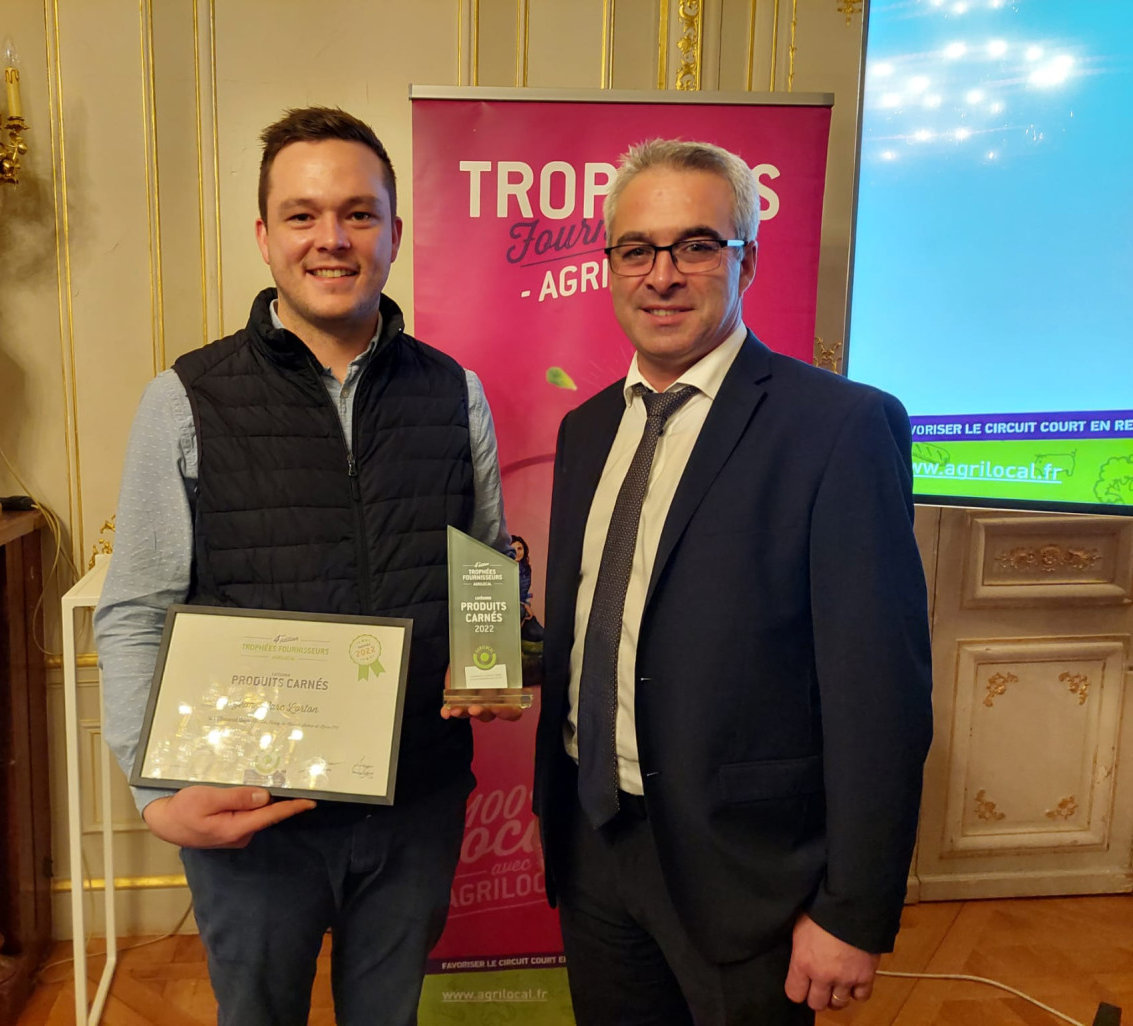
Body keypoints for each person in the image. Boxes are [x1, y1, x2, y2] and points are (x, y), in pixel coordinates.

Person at [95, 107, 511, 1026]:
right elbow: (136, 609)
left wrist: (489, 662)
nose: (332, 238)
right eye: (303, 214)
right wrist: (156, 793)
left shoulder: (456, 392)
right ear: (264, 236)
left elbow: (486, 567)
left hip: (415, 801)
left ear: (396, 233)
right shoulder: (184, 399)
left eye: (360, 213)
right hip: (251, 813)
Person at [532, 139, 933, 1026]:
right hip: (593, 839)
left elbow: (881, 696)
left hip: (749, 871)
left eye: (697, 245)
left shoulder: (841, 428)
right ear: (610, 267)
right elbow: (615, 619)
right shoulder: (587, 428)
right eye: (637, 249)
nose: (662, 275)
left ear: (745, 257)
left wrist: (852, 909)